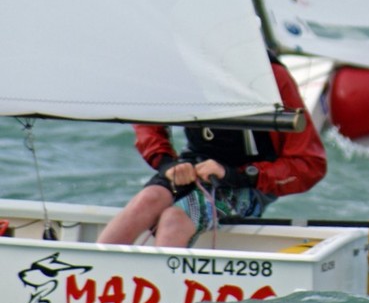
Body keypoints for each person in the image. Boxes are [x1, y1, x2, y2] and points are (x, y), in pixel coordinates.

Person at [97, 53, 327, 247]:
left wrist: (235, 175)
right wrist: (167, 164)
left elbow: (309, 165)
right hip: (196, 163)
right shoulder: (179, 68)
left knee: (173, 219)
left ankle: (160, 296)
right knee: (149, 199)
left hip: (249, 180)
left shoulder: (272, 77)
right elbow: (146, 120)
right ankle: (88, 278)